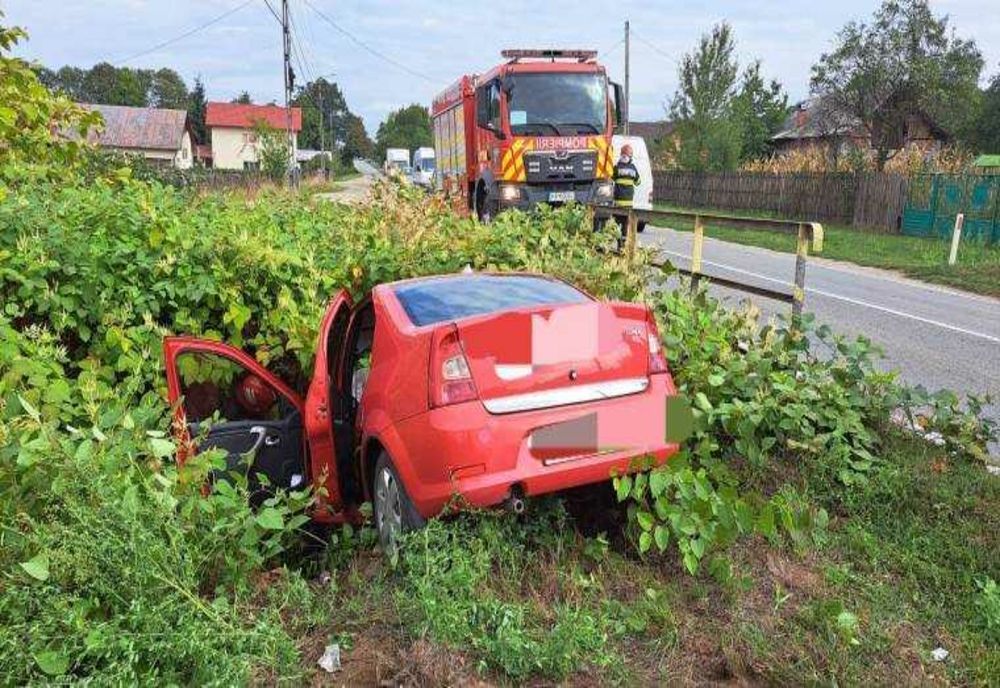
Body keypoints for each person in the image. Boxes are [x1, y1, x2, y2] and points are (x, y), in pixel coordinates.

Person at [611, 144, 641, 238]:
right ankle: (623, 245)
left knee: (616, 224)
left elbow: (612, 178)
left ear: (621, 154)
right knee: (625, 225)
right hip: (628, 203)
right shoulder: (633, 168)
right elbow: (638, 182)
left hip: (618, 203)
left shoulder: (616, 167)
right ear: (630, 155)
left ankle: (619, 243)